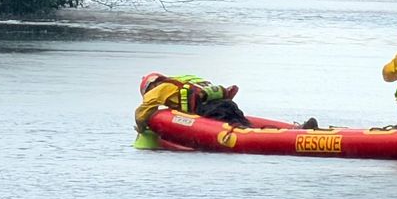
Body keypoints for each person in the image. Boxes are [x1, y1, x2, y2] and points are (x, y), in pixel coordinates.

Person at [133, 72, 318, 150]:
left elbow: (143, 111)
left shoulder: (160, 88)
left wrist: (142, 127)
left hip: (210, 111)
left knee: (243, 132)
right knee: (245, 126)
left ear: (150, 86)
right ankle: (296, 130)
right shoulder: (189, 79)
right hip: (227, 105)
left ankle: (290, 135)